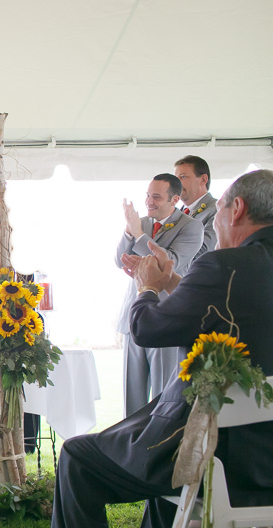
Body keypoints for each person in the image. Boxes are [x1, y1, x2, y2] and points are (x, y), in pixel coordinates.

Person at [52, 169, 273, 528]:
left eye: (218, 210)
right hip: (264, 452)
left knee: (77, 457)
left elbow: (148, 328)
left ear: (237, 210)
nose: (215, 220)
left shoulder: (224, 267)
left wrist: (148, 288)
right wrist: (171, 281)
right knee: (163, 499)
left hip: (216, 452)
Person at [115, 173, 202, 416]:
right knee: (132, 396)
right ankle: (129, 437)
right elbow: (118, 260)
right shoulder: (139, 223)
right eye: (147, 195)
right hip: (134, 316)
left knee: (163, 394)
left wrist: (139, 236)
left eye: (156, 197)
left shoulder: (191, 227)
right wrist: (129, 232)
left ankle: (159, 437)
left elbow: (170, 263)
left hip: (165, 317)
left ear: (174, 199)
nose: (149, 202)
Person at [174, 155, 218, 260]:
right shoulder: (176, 214)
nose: (176, 183)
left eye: (183, 177)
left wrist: (166, 258)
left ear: (203, 179)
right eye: (176, 178)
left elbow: (205, 250)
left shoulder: (217, 209)